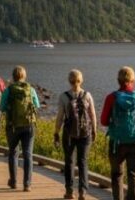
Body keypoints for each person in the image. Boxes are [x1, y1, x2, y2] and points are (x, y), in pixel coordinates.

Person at [100, 66, 135, 200]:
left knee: (117, 175)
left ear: (118, 80)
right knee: (133, 176)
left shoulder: (111, 98)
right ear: (133, 80)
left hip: (116, 143)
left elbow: (104, 121)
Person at [54, 69, 97, 200]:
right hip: (85, 133)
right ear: (81, 80)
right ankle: (83, 192)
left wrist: (56, 132)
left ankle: (69, 191)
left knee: (69, 162)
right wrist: (94, 130)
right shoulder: (87, 95)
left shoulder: (63, 96)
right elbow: (93, 115)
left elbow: (60, 117)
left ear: (69, 80)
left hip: (69, 133)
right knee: (83, 162)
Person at [0, 65, 40, 192]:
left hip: (13, 125)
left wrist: (12, 111)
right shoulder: (30, 89)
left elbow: (1, 107)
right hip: (28, 125)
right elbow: (37, 105)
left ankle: (13, 182)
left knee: (13, 153)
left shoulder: (9, 90)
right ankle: (27, 184)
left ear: (13, 76)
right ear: (24, 76)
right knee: (28, 154)